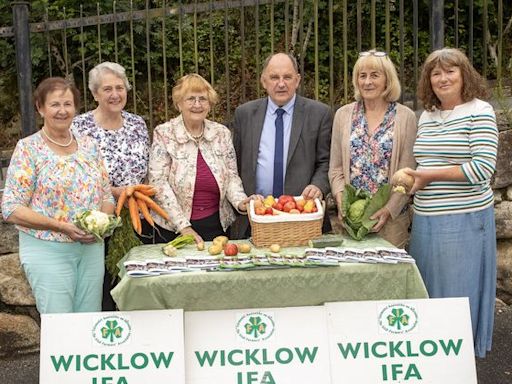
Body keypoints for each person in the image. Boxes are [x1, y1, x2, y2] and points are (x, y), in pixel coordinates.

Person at [406, 48, 498, 358]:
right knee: (429, 295)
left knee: (458, 298)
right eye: (435, 73)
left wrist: (428, 175)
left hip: (464, 220)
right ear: (427, 80)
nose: (442, 78)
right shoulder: (427, 115)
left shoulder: (480, 111)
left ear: (464, 74)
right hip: (425, 221)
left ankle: (459, 363)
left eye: (450, 71)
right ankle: (437, 363)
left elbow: (482, 169)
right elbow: (422, 162)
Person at [1, 77, 115, 314]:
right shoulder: (28, 149)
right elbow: (11, 208)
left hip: (91, 248)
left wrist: (101, 224)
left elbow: (107, 197)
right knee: (60, 324)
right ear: (40, 108)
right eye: (54, 105)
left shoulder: (90, 146)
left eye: (68, 104)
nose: (62, 111)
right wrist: (62, 226)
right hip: (47, 249)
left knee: (89, 320)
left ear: (75, 108)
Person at [71, 62, 149, 311]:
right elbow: (77, 175)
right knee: (105, 284)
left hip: (137, 214)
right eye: (107, 89)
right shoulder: (79, 127)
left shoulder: (138, 124)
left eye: (120, 87)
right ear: (95, 94)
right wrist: (115, 192)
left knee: (137, 283)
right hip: (100, 218)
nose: (115, 94)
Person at [232, 52, 333, 238]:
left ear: (298, 80)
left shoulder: (320, 114)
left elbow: (326, 162)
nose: (281, 83)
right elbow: (234, 166)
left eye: (287, 77)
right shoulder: (244, 115)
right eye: (274, 77)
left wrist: (318, 185)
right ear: (263, 81)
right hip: (254, 218)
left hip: (302, 217)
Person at [147, 73, 254, 244]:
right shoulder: (164, 133)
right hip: (172, 228)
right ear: (179, 103)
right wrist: (183, 227)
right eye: (190, 99)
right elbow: (158, 183)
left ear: (210, 104)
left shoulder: (221, 134)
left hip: (216, 225)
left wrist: (241, 202)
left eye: (203, 99)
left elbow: (232, 176)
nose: (197, 104)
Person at [328, 50, 417, 248]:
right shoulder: (342, 116)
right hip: (352, 222)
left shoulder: (406, 117)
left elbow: (407, 176)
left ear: (387, 80)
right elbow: (335, 169)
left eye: (375, 75)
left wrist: (388, 210)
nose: (367, 82)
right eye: (362, 75)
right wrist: (342, 202)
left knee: (389, 277)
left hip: (392, 223)